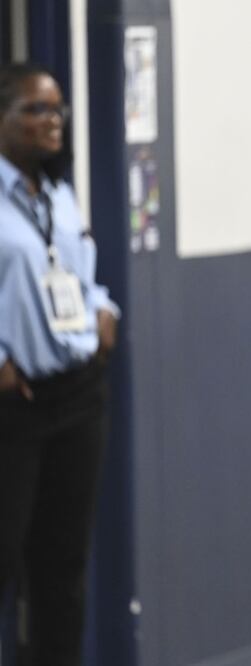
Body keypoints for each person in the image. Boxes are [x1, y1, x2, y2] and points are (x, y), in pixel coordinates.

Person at [0, 63, 119, 666]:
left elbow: (79, 270)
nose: (53, 122)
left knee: (63, 566)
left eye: (57, 111)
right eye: (36, 110)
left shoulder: (57, 191)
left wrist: (103, 309)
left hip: (78, 394)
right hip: (14, 406)